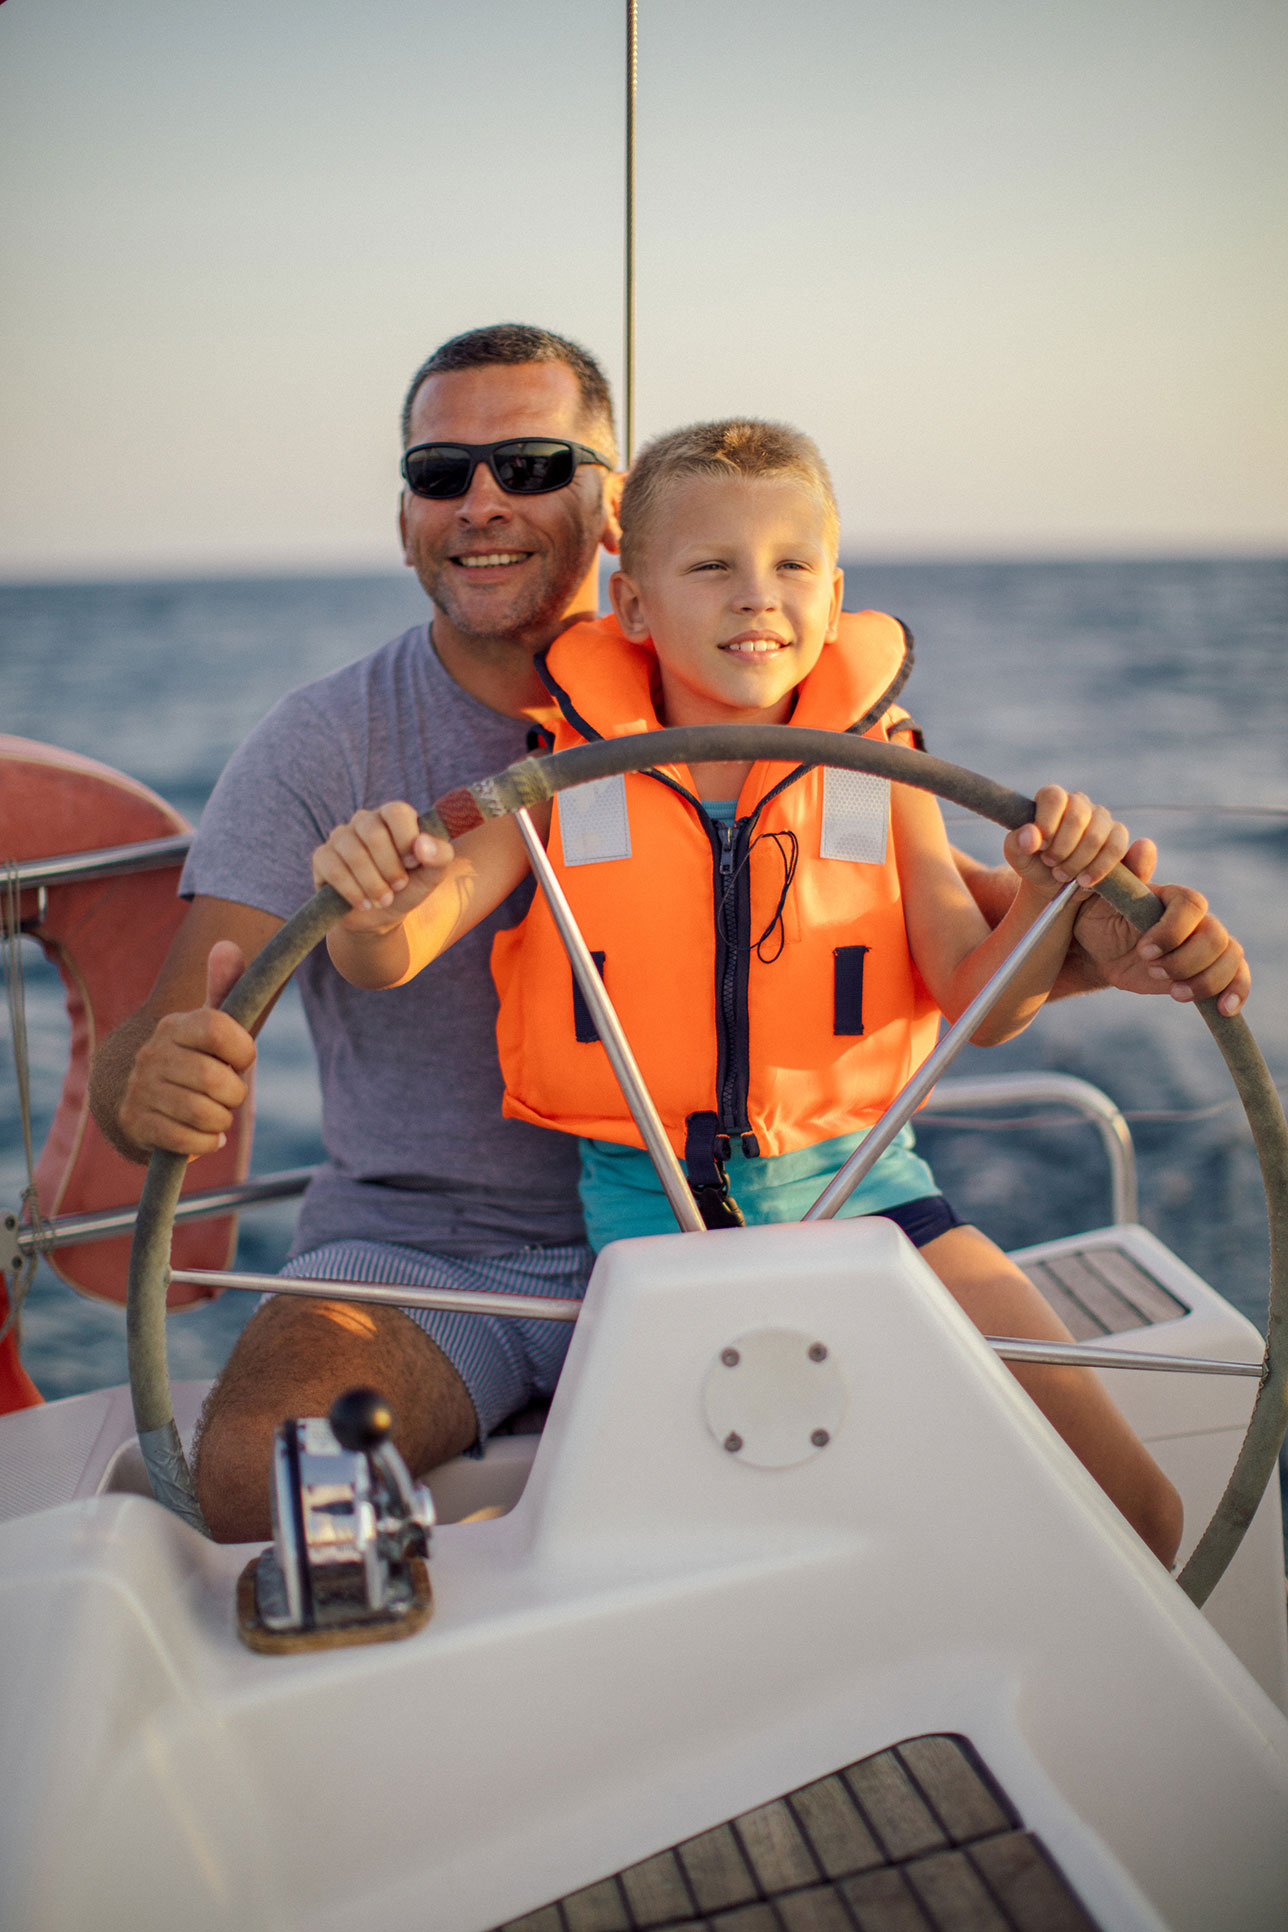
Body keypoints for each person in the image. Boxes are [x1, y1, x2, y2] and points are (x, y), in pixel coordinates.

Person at [90, 330, 1248, 1546]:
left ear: (607, 510)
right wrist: (158, 1080)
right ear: (405, 513)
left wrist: (1105, 941)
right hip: (440, 1260)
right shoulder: (330, 745)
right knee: (256, 1486)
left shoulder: (822, 747)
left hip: (802, 1211)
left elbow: (936, 952)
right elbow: (184, 1036)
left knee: (1076, 1514)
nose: (483, 501)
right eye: (443, 472)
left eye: (531, 464)